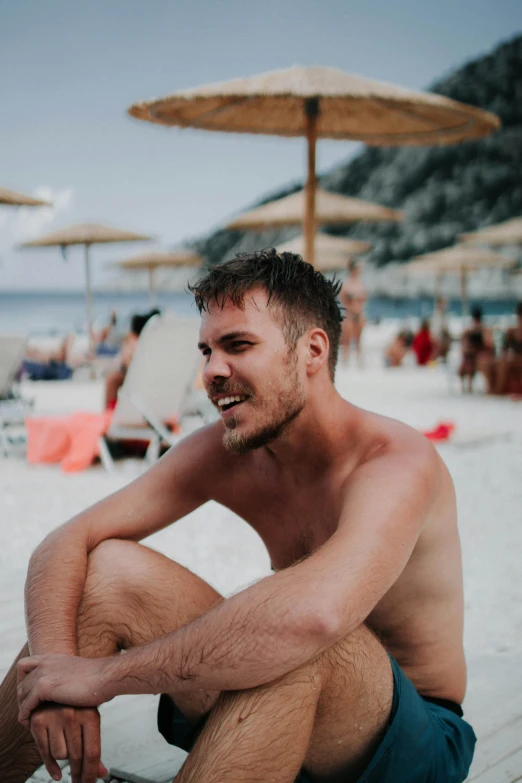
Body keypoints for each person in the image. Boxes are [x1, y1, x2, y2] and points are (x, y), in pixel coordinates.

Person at [1, 249, 475, 783]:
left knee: (311, 638)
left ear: (312, 351)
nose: (211, 371)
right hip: (271, 709)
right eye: (206, 350)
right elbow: (65, 542)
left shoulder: (395, 463)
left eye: (238, 345)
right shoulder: (229, 450)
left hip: (409, 743)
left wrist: (102, 678)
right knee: (109, 569)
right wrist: (56, 676)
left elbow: (314, 617)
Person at [104, 308, 160, 409]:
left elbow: (129, 363)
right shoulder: (154, 342)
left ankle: (109, 414)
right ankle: (110, 413)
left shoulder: (133, 341)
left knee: (112, 379)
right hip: (147, 377)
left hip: (141, 377)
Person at [459, 306, 495, 393]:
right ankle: (468, 386)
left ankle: (468, 386)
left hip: (479, 356)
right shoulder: (474, 331)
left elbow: (489, 345)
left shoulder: (479, 330)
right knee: (468, 362)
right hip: (473, 356)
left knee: (469, 362)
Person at [339, 259, 367, 367]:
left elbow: (363, 298)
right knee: (347, 340)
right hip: (350, 314)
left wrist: (356, 299)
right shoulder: (347, 284)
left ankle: (359, 362)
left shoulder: (360, 283)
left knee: (359, 340)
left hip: (358, 314)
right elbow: (345, 298)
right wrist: (354, 299)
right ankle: (346, 362)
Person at [493, 301, 522, 395]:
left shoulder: (514, 331)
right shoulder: (512, 331)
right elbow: (503, 348)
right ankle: (498, 388)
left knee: (504, 363)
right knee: (502, 362)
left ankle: (499, 390)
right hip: (514, 359)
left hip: (516, 359)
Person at [431, 297, 452, 362]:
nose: (444, 305)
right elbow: (435, 331)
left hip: (443, 340)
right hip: (438, 340)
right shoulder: (436, 316)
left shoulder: (444, 315)